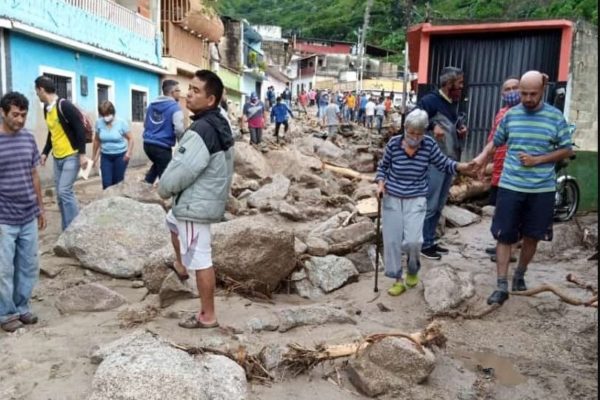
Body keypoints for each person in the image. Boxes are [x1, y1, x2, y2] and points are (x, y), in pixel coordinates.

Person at [472, 70, 573, 306]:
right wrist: (481, 158)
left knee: (532, 236)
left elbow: (566, 149)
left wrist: (538, 160)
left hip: (541, 189)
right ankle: (501, 285)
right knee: (503, 235)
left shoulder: (555, 117)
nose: (527, 98)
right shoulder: (511, 116)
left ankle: (520, 274)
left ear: (542, 91)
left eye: (532, 94)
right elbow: (495, 142)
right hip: (510, 185)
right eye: (523, 93)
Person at [158, 69, 234, 329]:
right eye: (189, 88)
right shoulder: (219, 122)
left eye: (196, 90)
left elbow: (184, 169)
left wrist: (163, 189)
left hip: (195, 205)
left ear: (210, 100)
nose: (189, 94)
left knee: (202, 259)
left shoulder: (201, 129)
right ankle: (180, 265)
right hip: (204, 198)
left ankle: (207, 315)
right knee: (171, 222)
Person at [376, 109, 474, 296]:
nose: (415, 137)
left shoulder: (428, 145)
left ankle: (413, 269)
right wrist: (380, 184)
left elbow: (443, 163)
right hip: (392, 198)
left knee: (414, 241)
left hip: (416, 198)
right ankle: (397, 279)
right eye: (411, 132)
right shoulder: (394, 144)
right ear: (405, 129)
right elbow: (383, 167)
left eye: (419, 133)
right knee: (392, 241)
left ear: (425, 132)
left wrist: (463, 167)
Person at [0, 92, 46, 332]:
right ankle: (6, 314)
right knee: (4, 268)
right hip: (4, 218)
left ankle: (22, 307)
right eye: (15, 115)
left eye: (24, 115)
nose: (20, 120)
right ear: (3, 113)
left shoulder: (28, 139)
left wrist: (41, 207)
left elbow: (34, 175)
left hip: (28, 214)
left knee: (28, 265)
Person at [417, 66, 468, 260]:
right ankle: (422, 243)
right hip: (434, 162)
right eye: (459, 84)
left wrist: (460, 131)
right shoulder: (430, 101)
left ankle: (430, 240)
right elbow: (412, 119)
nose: (462, 88)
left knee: (439, 204)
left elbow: (452, 127)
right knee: (430, 203)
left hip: (449, 160)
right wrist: (431, 125)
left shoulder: (453, 104)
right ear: (448, 84)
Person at [35, 75, 87, 231]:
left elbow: (80, 129)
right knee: (59, 195)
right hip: (57, 157)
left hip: (72, 155)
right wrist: (45, 153)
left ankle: (75, 230)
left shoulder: (64, 106)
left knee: (65, 191)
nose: (37, 94)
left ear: (41, 90)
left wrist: (82, 154)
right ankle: (67, 230)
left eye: (37, 91)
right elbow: (53, 133)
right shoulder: (47, 109)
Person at [483, 77, 521, 262]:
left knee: (513, 210)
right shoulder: (501, 113)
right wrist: (484, 161)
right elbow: (492, 137)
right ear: (502, 93)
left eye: (515, 87)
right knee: (500, 208)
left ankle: (511, 250)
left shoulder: (525, 113)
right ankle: (502, 244)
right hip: (499, 169)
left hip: (515, 171)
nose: (512, 91)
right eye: (508, 89)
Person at [142, 79, 184, 185]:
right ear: (173, 92)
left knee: (157, 165)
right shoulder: (175, 107)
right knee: (166, 176)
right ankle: (166, 198)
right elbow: (179, 128)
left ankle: (146, 185)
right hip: (162, 147)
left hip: (147, 144)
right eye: (178, 90)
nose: (180, 93)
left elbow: (145, 124)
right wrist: (182, 143)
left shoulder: (151, 105)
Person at [91, 101, 134, 190]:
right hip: (106, 156)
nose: (105, 117)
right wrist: (94, 157)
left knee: (117, 183)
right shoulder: (99, 123)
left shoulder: (121, 123)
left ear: (112, 113)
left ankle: (118, 202)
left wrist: (128, 153)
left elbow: (131, 139)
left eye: (107, 114)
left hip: (120, 156)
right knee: (106, 183)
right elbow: (96, 140)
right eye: (103, 115)